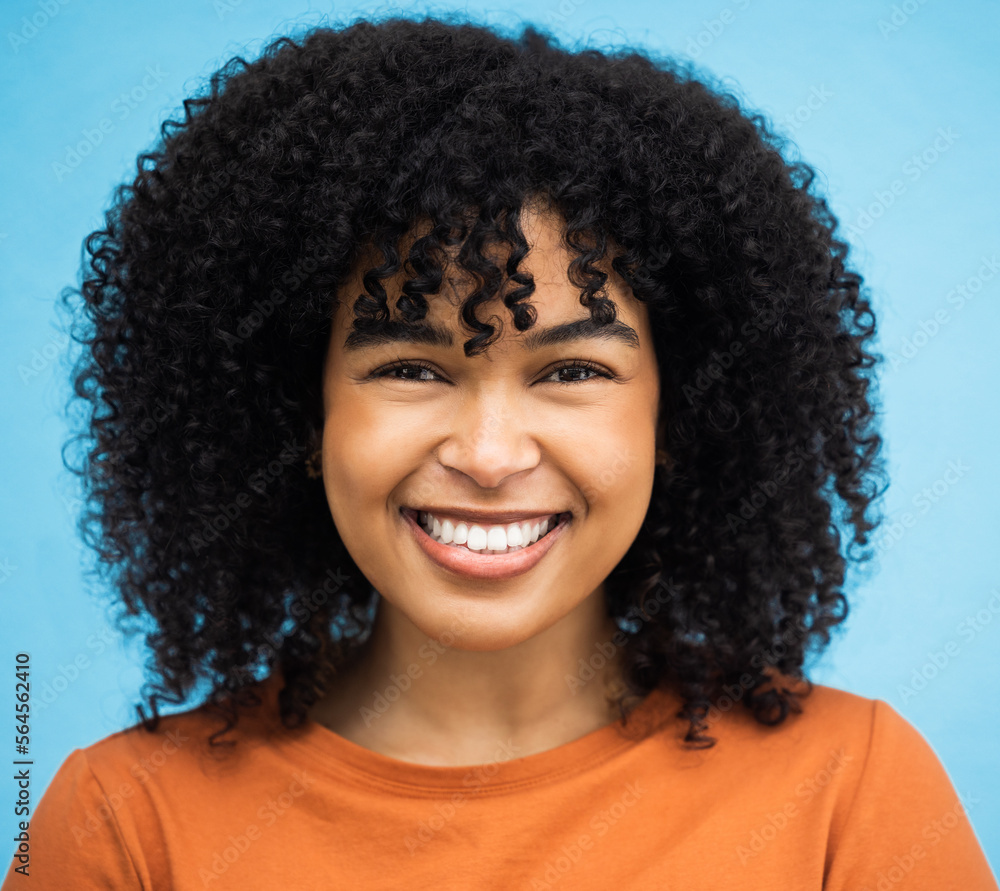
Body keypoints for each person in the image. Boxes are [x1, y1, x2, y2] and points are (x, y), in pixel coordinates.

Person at [4, 13, 996, 890]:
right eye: (412, 368)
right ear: (296, 416)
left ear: (678, 417)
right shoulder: (126, 823)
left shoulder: (847, 790)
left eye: (571, 374)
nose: (486, 454)